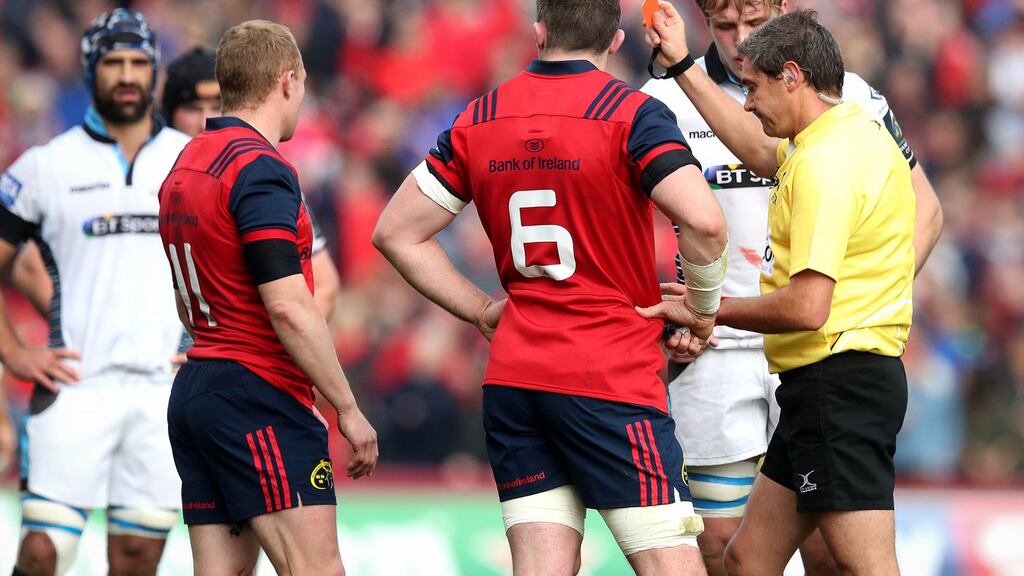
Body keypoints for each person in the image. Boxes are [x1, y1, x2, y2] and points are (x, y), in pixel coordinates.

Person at [373, 1, 728, 574]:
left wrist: (483, 311)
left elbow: (396, 232)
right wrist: (703, 308)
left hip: (517, 380)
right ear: (615, 41)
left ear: (538, 33)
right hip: (609, 377)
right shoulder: (631, 114)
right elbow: (706, 222)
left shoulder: (479, 117)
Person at [638, 1, 942, 574]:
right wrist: (681, 67)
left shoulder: (826, 162)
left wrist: (709, 310)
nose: (745, 104)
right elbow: (754, 148)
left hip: (838, 373)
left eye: (753, 89)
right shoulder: (836, 131)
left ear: (792, 75)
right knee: (746, 559)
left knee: (860, 565)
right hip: (807, 376)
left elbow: (807, 306)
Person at [160, 20, 378, 576]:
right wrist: (347, 410)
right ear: (287, 82)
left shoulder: (184, 164)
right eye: (302, 86)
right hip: (257, 392)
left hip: (199, 386)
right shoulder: (258, 168)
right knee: (316, 568)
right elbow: (287, 303)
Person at [0, 9, 190, 576]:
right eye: (114, 63)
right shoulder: (44, 166)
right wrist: (12, 350)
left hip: (165, 390)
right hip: (74, 388)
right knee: (42, 554)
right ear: (91, 71)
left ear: (155, 72)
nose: (127, 76)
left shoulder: (193, 159)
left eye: (138, 63)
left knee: (136, 557)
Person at [161, 46, 342, 319]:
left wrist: (285, 355)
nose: (205, 119)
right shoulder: (154, 176)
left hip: (235, 354)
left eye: (216, 106)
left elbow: (324, 284)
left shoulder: (262, 175)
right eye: (192, 108)